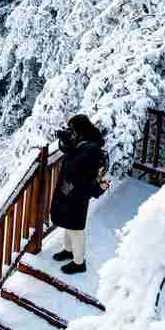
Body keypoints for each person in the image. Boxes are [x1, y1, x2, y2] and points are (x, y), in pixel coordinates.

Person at [49, 114, 110, 275]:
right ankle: (68, 250)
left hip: (79, 193)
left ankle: (79, 262)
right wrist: (65, 141)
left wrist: (69, 144)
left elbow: (77, 166)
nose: (71, 133)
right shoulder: (84, 143)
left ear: (80, 130)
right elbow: (72, 153)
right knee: (69, 223)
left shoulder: (91, 149)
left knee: (76, 228)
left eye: (72, 130)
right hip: (70, 190)